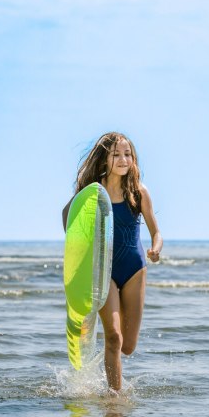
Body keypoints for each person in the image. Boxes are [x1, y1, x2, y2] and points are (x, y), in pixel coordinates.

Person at [63, 132, 162, 392]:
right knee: (114, 338)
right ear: (104, 158)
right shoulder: (93, 193)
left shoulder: (138, 192)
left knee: (128, 345)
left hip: (134, 269)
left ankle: (109, 379)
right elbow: (68, 217)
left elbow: (156, 232)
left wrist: (156, 248)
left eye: (127, 153)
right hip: (103, 270)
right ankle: (114, 399)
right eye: (116, 154)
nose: (122, 159)